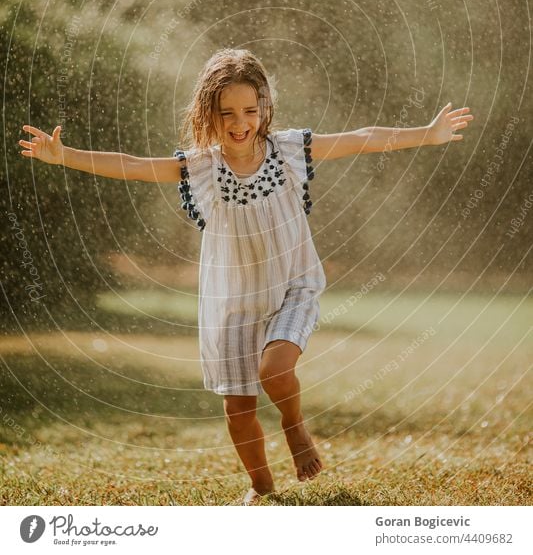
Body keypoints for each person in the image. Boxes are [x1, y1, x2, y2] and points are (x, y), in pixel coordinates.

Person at [19, 47, 474, 504]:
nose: (241, 122)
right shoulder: (201, 167)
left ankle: (297, 433)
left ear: (265, 109)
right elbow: (133, 166)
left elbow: (361, 137)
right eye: (228, 113)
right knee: (237, 410)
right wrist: (65, 156)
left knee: (275, 371)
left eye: (251, 111)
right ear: (208, 114)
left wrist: (428, 134)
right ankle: (261, 487)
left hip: (292, 286)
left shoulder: (291, 150)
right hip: (231, 301)